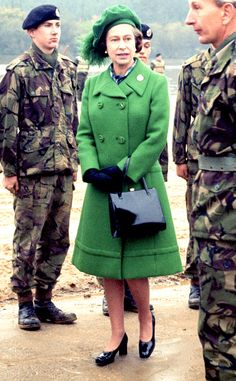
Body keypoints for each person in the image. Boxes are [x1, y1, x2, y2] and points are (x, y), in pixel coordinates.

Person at [72, 4, 182, 366]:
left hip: (137, 185)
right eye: (114, 39)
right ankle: (116, 333)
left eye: (128, 39)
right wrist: (90, 170)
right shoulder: (93, 84)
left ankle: (146, 323)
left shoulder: (153, 82)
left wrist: (123, 170)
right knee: (108, 267)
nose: (122, 46)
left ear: (137, 44)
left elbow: (155, 137)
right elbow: (84, 132)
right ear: (105, 46)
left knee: (135, 265)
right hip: (102, 186)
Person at [0, 5, 78, 331]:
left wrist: (74, 161)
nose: (54, 31)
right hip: (32, 172)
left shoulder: (68, 70)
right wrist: (9, 170)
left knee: (58, 240)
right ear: (32, 32)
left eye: (57, 25)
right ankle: (24, 303)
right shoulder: (19, 71)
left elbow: (74, 120)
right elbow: (6, 124)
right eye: (48, 25)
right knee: (27, 241)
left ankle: (45, 299)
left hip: (62, 170)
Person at [185, 1, 236, 379]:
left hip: (228, 225)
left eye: (198, 7)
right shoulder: (218, 61)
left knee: (222, 332)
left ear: (227, 10)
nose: (189, 18)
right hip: (216, 218)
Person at [172, 48, 211, 309]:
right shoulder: (192, 66)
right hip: (198, 159)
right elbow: (182, 113)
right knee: (197, 220)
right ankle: (195, 282)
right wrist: (179, 157)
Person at [137, 24, 169, 182]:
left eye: (147, 46)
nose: (143, 50)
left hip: (152, 163)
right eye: (139, 45)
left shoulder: (157, 81)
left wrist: (163, 171)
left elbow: (160, 129)